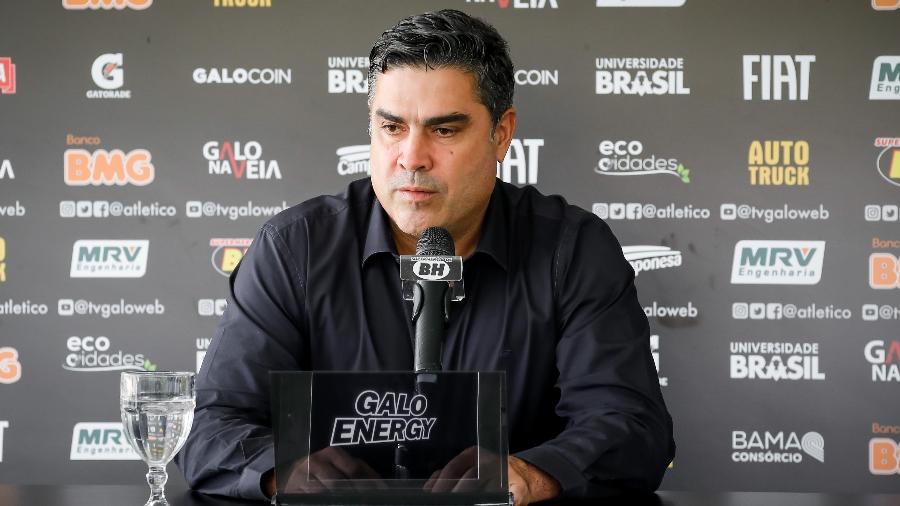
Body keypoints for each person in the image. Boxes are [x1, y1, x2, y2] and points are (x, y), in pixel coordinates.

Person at [176, 9, 675, 505]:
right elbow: (208, 426)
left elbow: (632, 427)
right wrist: (280, 472)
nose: (412, 157)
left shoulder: (573, 249)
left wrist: (532, 474)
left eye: (444, 130)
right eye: (392, 127)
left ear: (501, 133)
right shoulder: (295, 247)